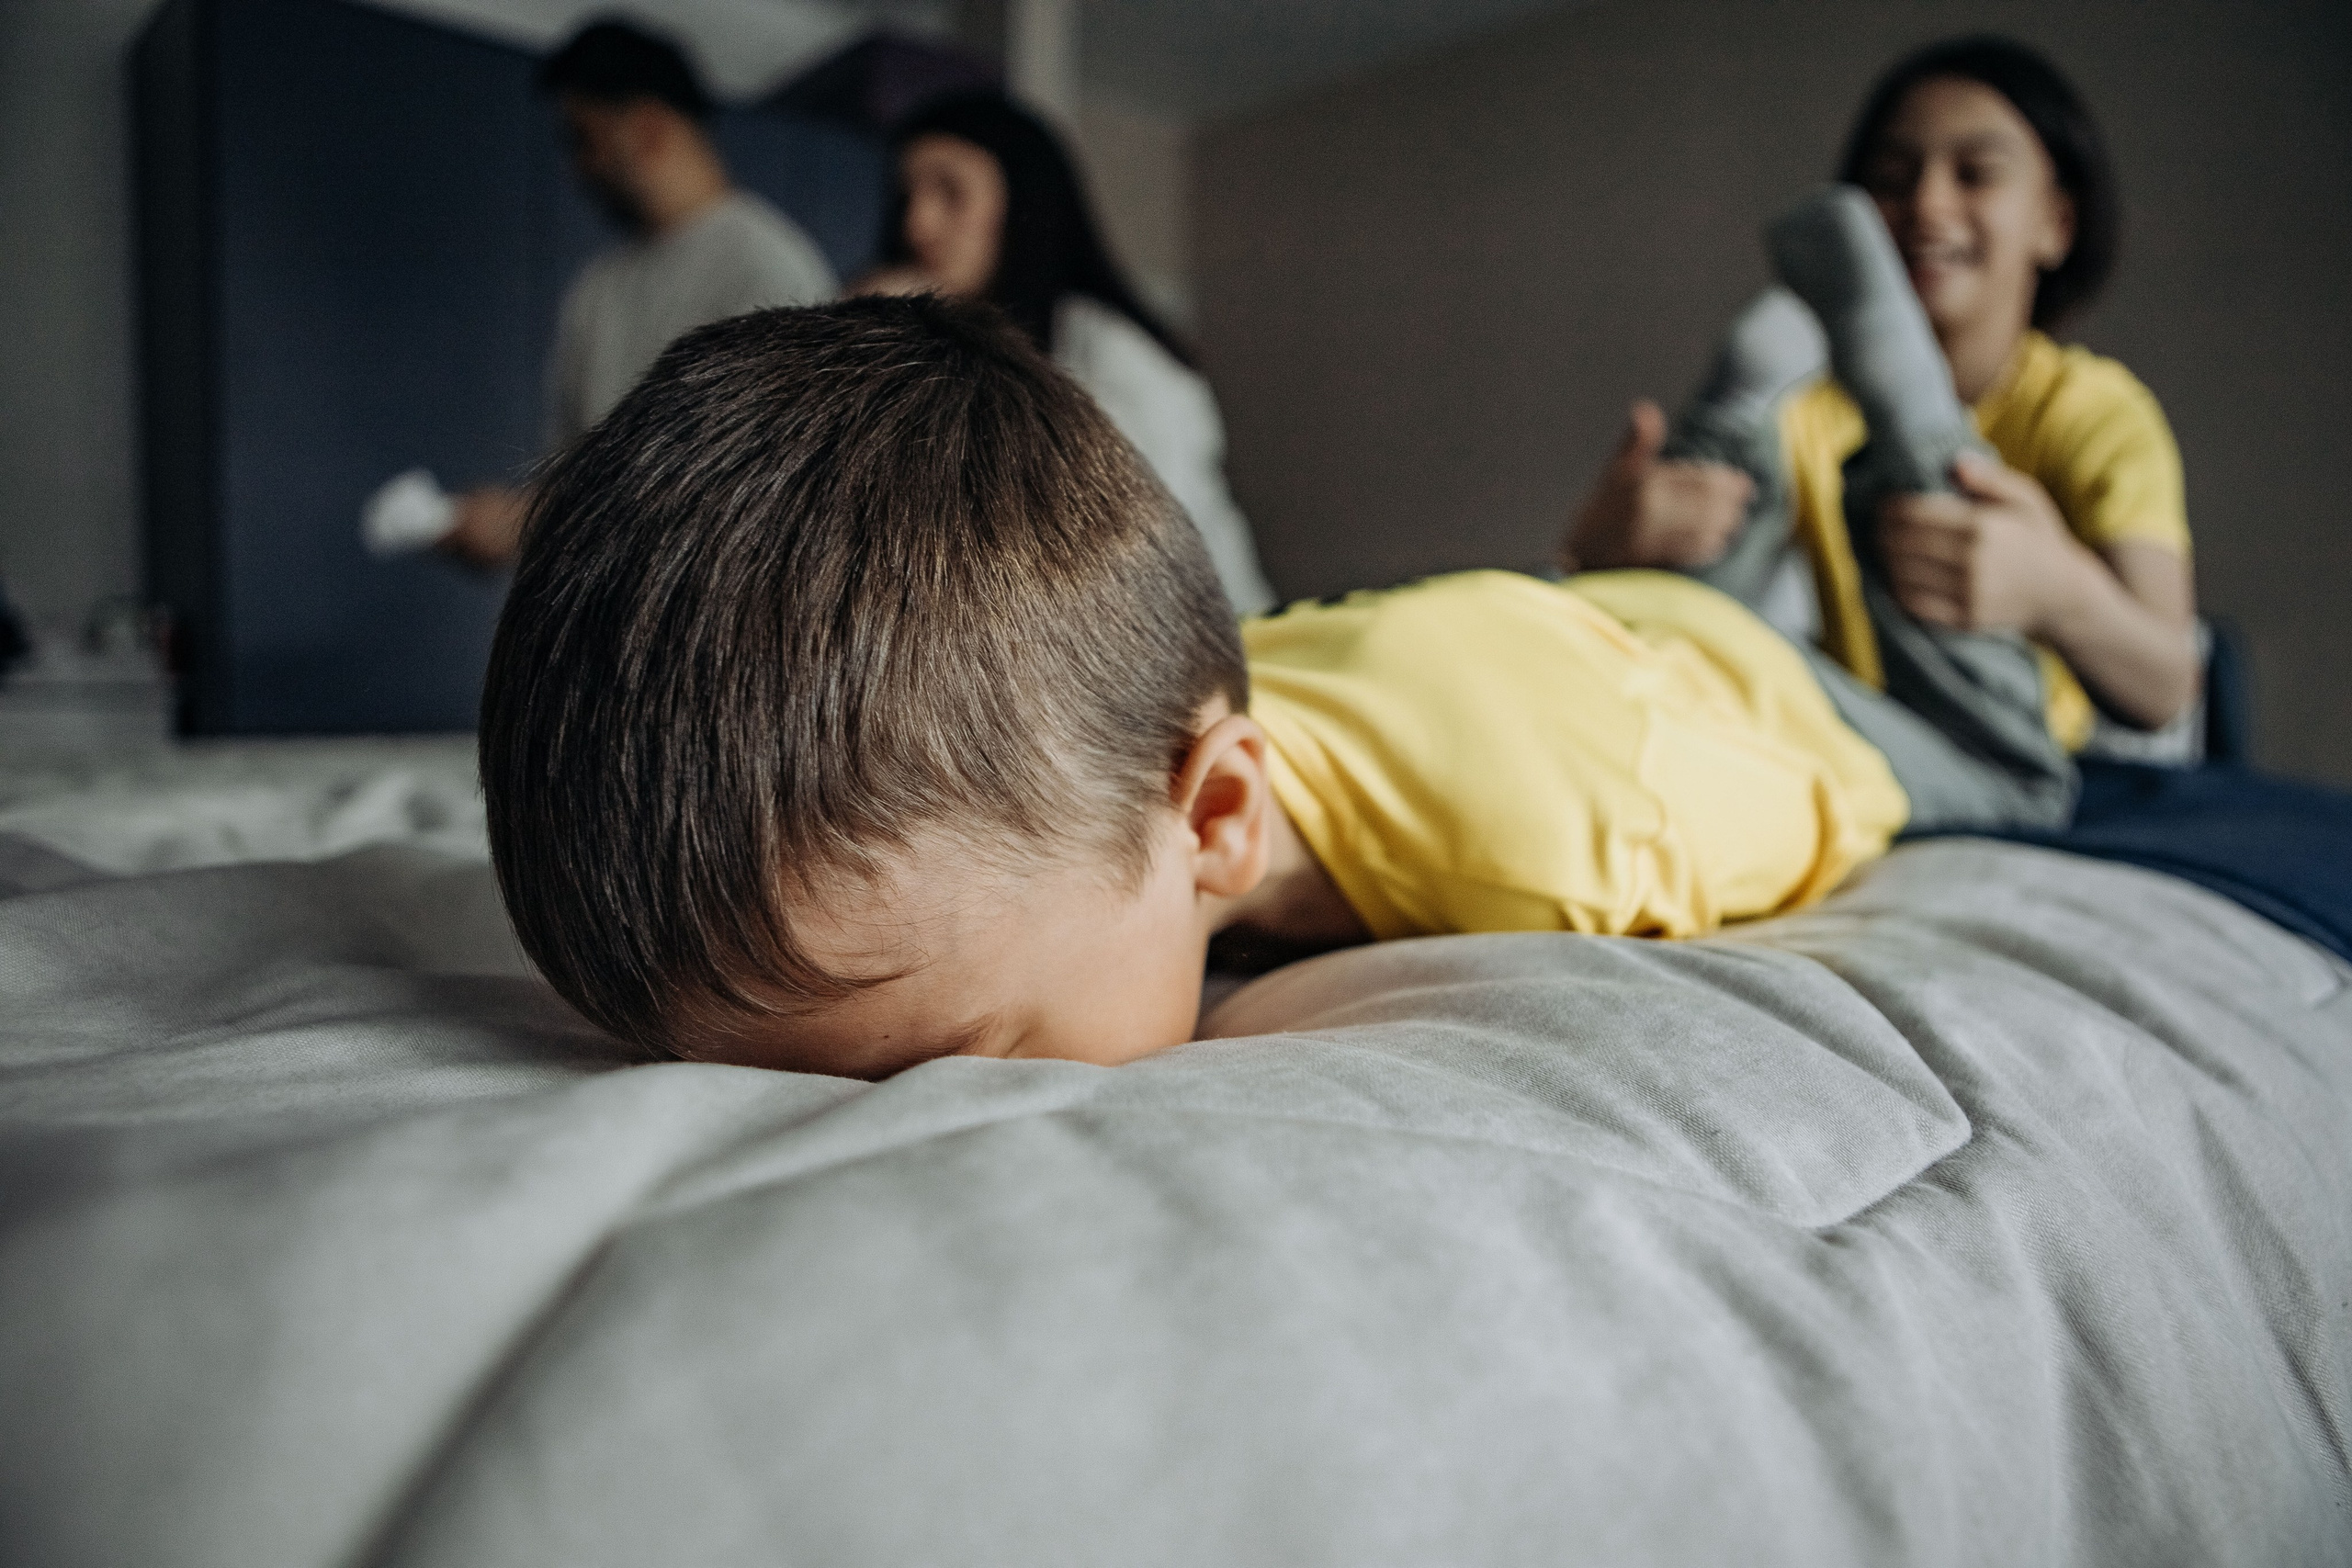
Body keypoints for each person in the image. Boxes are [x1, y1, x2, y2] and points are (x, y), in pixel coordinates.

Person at [479, 296, 1932, 1079]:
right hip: (1491, 641)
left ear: (1220, 811)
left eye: (942, 1066)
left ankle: (1862, 389)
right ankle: (1731, 417)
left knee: (1972, 708)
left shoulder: (1556, 842)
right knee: (1648, 558)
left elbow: (1806, 779)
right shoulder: (1120, 727)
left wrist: (1871, 760)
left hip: (1706, 687)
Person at [1566, 36, 2200, 779]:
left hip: (2012, 748)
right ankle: (1855, 416)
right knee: (1711, 681)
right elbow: (1693, 618)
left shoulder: (2095, 414)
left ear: (2056, 223)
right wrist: (1598, 556)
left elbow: (2168, 686)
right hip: (1864, 731)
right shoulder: (1806, 410)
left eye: (1975, 174)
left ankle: (1911, 417)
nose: (1927, 205)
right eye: (1893, 179)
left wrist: (2059, 593)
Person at [855, 91, 1278, 615]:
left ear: (1021, 202)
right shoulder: (962, 353)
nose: (915, 225)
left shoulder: (1110, 357)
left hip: (1211, 649)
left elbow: (1125, 566)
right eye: (906, 196)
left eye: (950, 191)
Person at [441, 20, 838, 568]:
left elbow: (769, 499)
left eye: (585, 140)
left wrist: (524, 528)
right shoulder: (596, 290)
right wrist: (520, 520)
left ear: (650, 129)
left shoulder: (767, 265)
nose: (577, 168)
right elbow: (573, 480)